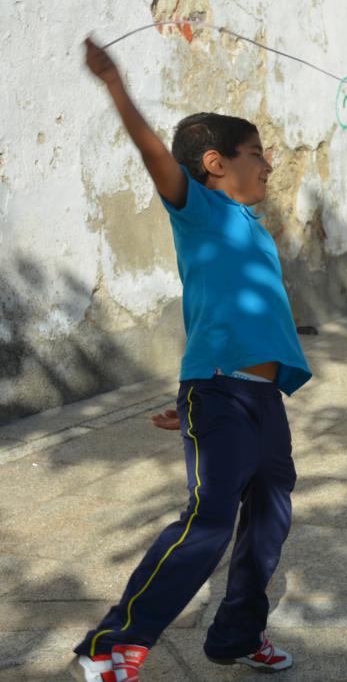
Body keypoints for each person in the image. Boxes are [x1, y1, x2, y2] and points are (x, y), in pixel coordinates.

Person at [73, 36, 312, 682]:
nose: (269, 164)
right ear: (215, 162)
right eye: (257, 153)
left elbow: (230, 312)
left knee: (269, 520)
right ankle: (111, 645)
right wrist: (116, 85)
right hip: (223, 393)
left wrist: (193, 400)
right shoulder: (199, 208)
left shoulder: (251, 225)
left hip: (259, 399)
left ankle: (237, 634)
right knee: (209, 519)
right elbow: (156, 154)